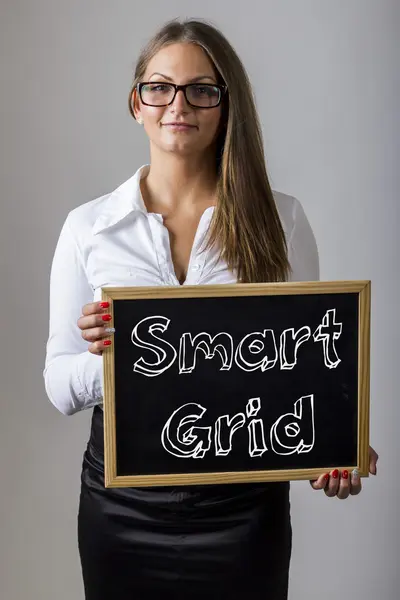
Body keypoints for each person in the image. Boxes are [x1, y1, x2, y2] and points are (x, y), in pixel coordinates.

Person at [43, 17, 378, 600]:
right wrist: (115, 361)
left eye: (202, 89)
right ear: (136, 104)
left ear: (227, 106)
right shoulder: (88, 228)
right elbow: (57, 383)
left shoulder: (282, 219)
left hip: (243, 511)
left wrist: (335, 445)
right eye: (160, 87)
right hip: (120, 506)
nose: (179, 104)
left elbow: (306, 371)